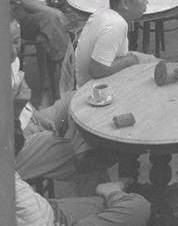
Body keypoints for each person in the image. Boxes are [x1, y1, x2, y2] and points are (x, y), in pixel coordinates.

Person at [10, 15, 117, 193]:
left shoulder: (11, 60)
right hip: (13, 148)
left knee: (79, 98)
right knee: (86, 162)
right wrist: (16, 109)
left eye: (15, 41)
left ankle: (85, 148)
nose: (13, 51)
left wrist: (34, 116)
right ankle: (101, 199)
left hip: (30, 119)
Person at [14, 117, 151, 226]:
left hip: (46, 210)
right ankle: (112, 192)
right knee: (137, 207)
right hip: (49, 218)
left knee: (84, 155)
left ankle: (110, 195)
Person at [75, 0, 155, 88]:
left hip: (87, 77)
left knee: (153, 60)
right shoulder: (116, 25)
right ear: (125, 4)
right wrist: (130, 61)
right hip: (93, 89)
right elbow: (96, 70)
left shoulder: (103, 12)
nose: (146, 2)